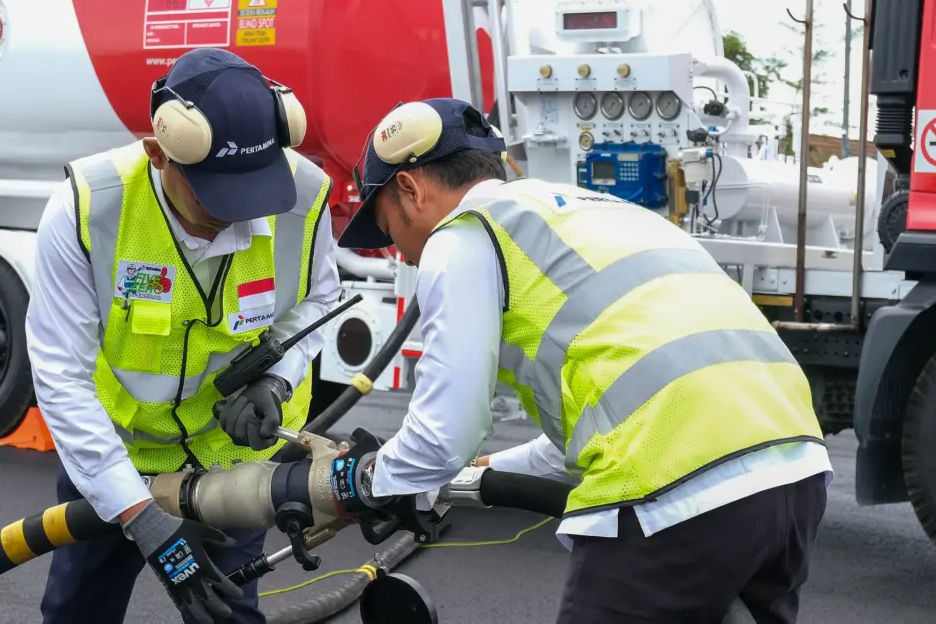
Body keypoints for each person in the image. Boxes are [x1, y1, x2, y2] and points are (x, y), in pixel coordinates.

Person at [329, 97, 834, 624]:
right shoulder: (591, 210)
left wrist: (362, 482)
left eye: (391, 232)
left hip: (676, 483)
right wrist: (491, 470)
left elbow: (445, 434)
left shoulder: (463, 237)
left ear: (409, 188)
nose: (402, 255)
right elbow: (623, 410)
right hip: (793, 469)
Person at [26, 47, 341, 624]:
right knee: (77, 613)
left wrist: (274, 381)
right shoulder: (90, 209)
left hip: (226, 464)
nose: (239, 217)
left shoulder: (303, 198)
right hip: (113, 456)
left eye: (254, 193)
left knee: (226, 615)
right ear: (158, 154)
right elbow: (61, 378)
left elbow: (319, 297)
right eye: (219, 196)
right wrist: (140, 517)